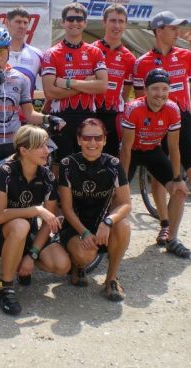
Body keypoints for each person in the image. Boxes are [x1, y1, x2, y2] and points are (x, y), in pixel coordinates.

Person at [133, 11, 191, 256]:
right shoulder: (142, 63)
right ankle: (165, 225)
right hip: (156, 125)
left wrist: (186, 114)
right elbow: (140, 98)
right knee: (160, 179)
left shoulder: (186, 56)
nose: (177, 32)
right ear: (159, 30)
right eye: (173, 28)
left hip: (182, 121)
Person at [0, 125, 70, 315]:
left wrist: (32, 256)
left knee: (62, 265)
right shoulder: (5, 171)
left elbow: (48, 222)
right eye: (40, 146)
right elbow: (0, 215)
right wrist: (35, 210)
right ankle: (5, 286)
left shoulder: (46, 175)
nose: (47, 150)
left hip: (27, 234)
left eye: (47, 145)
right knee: (21, 224)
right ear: (23, 150)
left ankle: (22, 261)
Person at [0, 26, 64, 173]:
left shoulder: (21, 78)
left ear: (8, 50)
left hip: (14, 143)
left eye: (1, 51)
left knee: (14, 183)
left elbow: (29, 114)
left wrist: (49, 118)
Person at [58, 118, 132, 300]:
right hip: (75, 228)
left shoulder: (113, 164)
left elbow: (126, 204)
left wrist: (108, 222)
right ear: (78, 139)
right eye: (87, 138)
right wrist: (84, 232)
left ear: (105, 140)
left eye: (98, 138)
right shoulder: (67, 164)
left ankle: (111, 278)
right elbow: (66, 208)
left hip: (103, 228)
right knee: (85, 255)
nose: (92, 142)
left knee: (123, 225)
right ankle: (78, 266)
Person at [120, 69, 190, 258]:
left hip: (153, 150)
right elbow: (126, 148)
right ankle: (113, 238)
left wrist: (177, 178)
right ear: (146, 89)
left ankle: (172, 239)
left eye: (164, 89)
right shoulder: (133, 108)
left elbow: (173, 146)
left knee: (179, 191)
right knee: (118, 196)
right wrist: (122, 182)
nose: (160, 94)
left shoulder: (173, 109)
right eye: (155, 89)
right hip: (133, 151)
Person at [41, 2, 108, 162]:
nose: (75, 22)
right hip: (60, 117)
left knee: (88, 162)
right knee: (60, 164)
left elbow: (102, 86)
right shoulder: (51, 53)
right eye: (70, 19)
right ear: (63, 22)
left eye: (79, 19)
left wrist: (68, 83)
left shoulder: (95, 52)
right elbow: (49, 92)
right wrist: (87, 83)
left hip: (88, 116)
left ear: (85, 23)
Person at [92, 4, 136, 157]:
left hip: (113, 114)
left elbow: (126, 91)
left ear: (125, 24)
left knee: (110, 157)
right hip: (90, 111)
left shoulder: (129, 58)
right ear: (104, 22)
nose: (116, 26)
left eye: (121, 21)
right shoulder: (91, 50)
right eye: (112, 21)